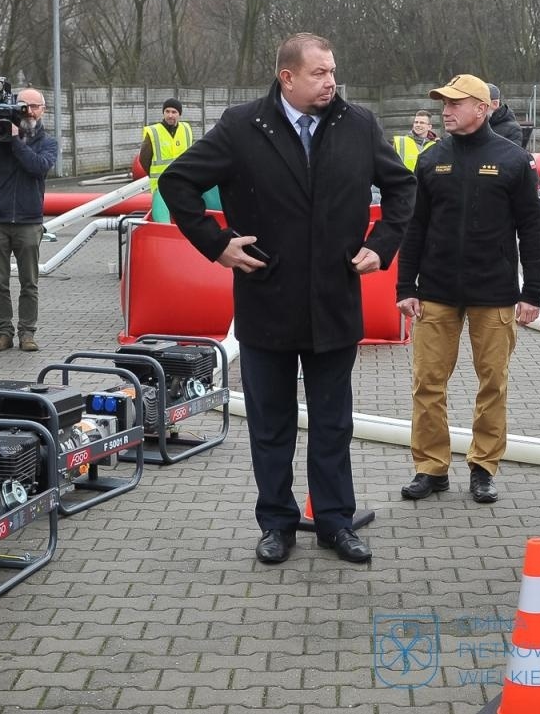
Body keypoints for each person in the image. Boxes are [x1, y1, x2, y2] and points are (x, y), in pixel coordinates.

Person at [158, 33, 416, 566]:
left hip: (333, 305)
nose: (331, 81)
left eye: (333, 71)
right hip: (266, 303)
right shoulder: (242, 127)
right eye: (320, 73)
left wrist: (381, 245)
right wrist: (217, 244)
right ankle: (276, 524)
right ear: (288, 78)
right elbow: (178, 182)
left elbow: (403, 189)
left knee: (332, 425)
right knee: (271, 427)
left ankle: (335, 524)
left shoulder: (358, 124)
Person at [396, 74, 540, 504]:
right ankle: (430, 468)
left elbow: (532, 229)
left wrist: (532, 291)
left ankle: (483, 467)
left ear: (482, 108)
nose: (445, 111)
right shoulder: (431, 159)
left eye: (455, 103)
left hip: (494, 292)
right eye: (443, 103)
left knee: (492, 383)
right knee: (427, 382)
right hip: (436, 292)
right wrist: (406, 285)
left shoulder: (513, 159)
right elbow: (416, 226)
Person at [0, 87, 58, 353]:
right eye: (25, 105)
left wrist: (14, 141)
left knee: (29, 283)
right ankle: (4, 333)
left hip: (28, 221)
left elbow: (38, 167)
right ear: (15, 106)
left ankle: (27, 333)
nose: (30, 111)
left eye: (35, 106)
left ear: (43, 110)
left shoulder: (48, 142)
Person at [140, 98, 206, 222]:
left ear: (179, 114)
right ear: (163, 113)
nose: (170, 115)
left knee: (183, 220)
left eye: (174, 112)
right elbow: (144, 159)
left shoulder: (186, 129)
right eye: (167, 111)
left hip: (183, 184)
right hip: (161, 186)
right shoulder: (153, 132)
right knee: (163, 221)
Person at [486, 83, 528, 148]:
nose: (478, 108)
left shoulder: (512, 130)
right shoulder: (477, 124)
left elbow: (512, 156)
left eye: (483, 104)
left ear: (495, 104)